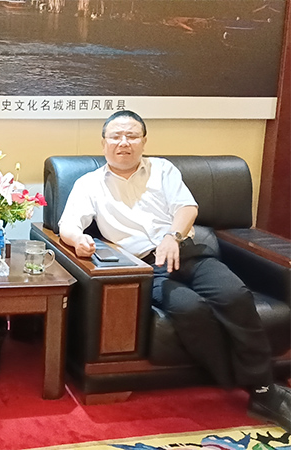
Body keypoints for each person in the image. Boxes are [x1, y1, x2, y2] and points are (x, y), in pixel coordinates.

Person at [58, 109, 290, 431]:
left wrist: (172, 236)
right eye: (116, 136)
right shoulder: (89, 184)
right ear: (104, 143)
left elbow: (187, 207)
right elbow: (68, 224)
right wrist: (79, 240)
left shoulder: (163, 170)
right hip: (147, 266)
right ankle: (251, 384)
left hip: (187, 251)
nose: (124, 142)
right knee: (189, 308)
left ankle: (262, 389)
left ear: (143, 141)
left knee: (235, 295)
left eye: (132, 136)